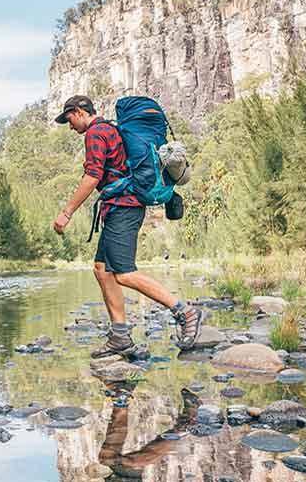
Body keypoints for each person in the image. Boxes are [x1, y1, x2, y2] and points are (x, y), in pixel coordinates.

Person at [51, 95, 202, 356]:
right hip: (120, 206)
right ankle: (120, 337)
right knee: (102, 270)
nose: (70, 126)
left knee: (123, 273)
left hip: (124, 207)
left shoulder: (96, 132)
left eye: (69, 119)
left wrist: (67, 213)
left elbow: (92, 176)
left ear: (78, 111)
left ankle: (184, 311)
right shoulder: (111, 128)